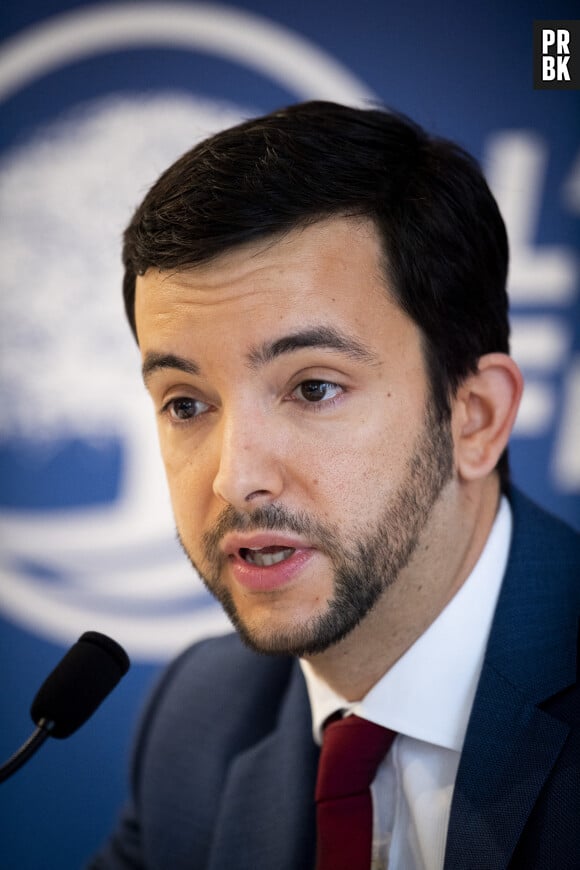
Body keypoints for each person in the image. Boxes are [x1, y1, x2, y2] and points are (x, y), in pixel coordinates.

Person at [91, 101, 580, 870]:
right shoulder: (198, 718)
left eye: (313, 388)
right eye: (186, 404)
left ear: (475, 418)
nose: (235, 477)